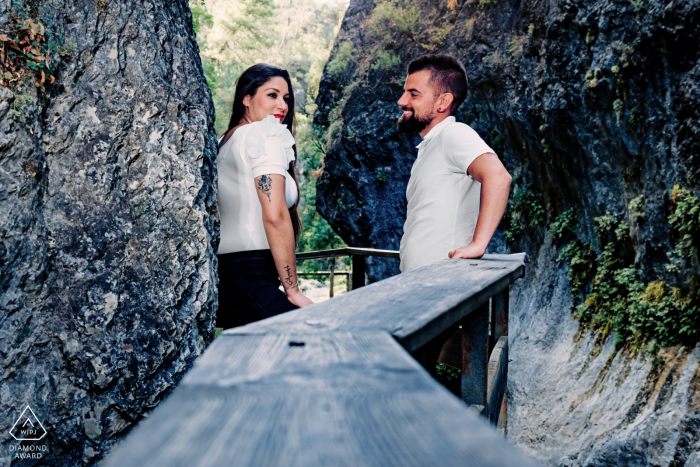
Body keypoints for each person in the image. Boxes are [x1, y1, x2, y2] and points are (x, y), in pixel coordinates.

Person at [396, 54, 512, 374]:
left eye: (413, 94)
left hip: (437, 293)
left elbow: (498, 177)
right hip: (422, 293)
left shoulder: (453, 135)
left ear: (443, 101)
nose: (402, 100)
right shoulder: (431, 146)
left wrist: (478, 245)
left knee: (405, 382)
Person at [216, 63, 313, 330]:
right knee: (317, 339)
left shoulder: (224, 142)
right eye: (272, 95)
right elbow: (276, 217)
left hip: (229, 279)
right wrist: (292, 290)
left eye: (286, 98)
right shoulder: (262, 134)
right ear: (246, 98)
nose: (282, 105)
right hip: (251, 276)